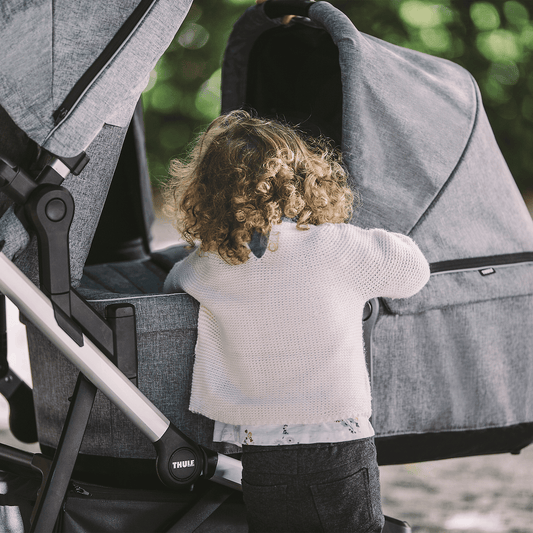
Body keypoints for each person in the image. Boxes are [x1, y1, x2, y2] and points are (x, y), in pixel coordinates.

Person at [163, 110, 430, 532]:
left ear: (209, 195)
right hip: (339, 441)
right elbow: (414, 272)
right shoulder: (335, 246)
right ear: (306, 181)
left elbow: (171, 283)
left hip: (263, 452)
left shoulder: (207, 266)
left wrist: (211, 248)